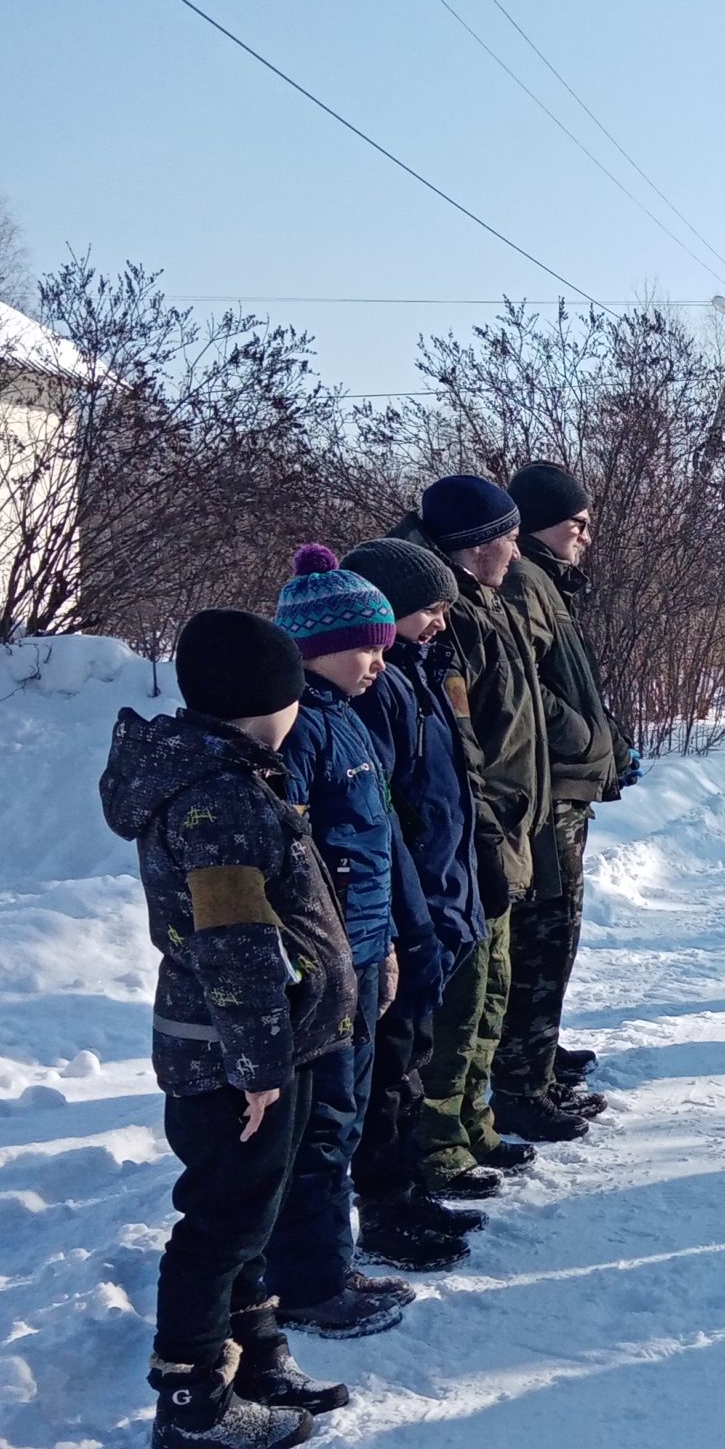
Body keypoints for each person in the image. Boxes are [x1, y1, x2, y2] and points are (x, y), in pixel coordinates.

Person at [100, 609, 356, 1449]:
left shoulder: (242, 776)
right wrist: (258, 1068)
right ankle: (192, 1397)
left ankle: (258, 1362)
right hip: (232, 1060)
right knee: (222, 1223)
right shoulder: (218, 802)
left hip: (271, 1048)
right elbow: (237, 947)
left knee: (255, 1213)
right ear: (264, 702)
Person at [390, 474, 557, 1171]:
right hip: (471, 836)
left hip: (504, 825)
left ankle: (473, 1120)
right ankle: (438, 1138)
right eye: (508, 538)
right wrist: (486, 833)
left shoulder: (486, 601)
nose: (518, 551)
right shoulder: (445, 619)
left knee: (493, 988)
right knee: (460, 999)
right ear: (474, 546)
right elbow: (463, 748)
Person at [265, 548, 413, 1338]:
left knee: (343, 1115)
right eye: (368, 645)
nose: (380, 660)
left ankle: (325, 1259)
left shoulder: (348, 716)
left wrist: (384, 946)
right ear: (318, 645)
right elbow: (296, 860)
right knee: (320, 1124)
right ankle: (308, 1285)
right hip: (320, 964)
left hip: (359, 952)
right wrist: (323, 959)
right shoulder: (298, 732)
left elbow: (375, 846)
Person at [342, 536, 494, 1263]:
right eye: (430, 609)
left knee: (412, 1058)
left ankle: (405, 1193)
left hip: (437, 893)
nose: (440, 621)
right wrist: (414, 914)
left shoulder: (420, 672)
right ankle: (384, 1207)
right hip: (406, 904)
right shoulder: (380, 689)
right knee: (391, 1068)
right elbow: (389, 812)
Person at [495, 461, 633, 1128]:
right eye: (576, 523)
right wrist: (584, 732)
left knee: (557, 934)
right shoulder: (524, 582)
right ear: (539, 523)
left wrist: (607, 735)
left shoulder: (545, 581)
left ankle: (537, 1058)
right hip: (543, 792)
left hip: (561, 786)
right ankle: (521, 1082)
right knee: (544, 937)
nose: (585, 536)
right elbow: (521, 689)